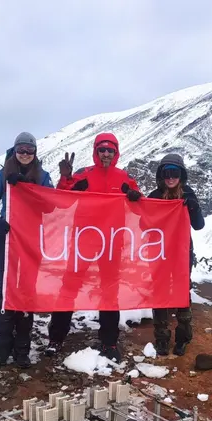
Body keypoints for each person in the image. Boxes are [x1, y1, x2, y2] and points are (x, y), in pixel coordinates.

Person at [46, 132, 141, 363]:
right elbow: (63, 199)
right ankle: (56, 339)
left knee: (110, 291)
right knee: (69, 287)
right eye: (102, 150)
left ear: (116, 152)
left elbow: (140, 207)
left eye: (110, 150)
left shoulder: (124, 178)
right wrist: (65, 177)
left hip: (111, 243)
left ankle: (109, 342)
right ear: (95, 151)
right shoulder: (84, 175)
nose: (106, 154)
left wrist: (136, 197)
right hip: (84, 241)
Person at [0, 131, 53, 368]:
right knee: (7, 289)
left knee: (27, 290)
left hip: (32, 240)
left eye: (29, 150)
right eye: (21, 150)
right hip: (8, 239)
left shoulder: (42, 177)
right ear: (15, 150)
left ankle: (22, 350)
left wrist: (31, 189)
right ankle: (2, 350)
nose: (25, 154)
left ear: (35, 153)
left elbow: (51, 205)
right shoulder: (0, 176)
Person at [146, 153, 204, 356]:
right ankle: (161, 339)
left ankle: (182, 338)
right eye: (166, 173)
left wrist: (194, 207)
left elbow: (198, 225)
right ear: (161, 175)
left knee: (182, 294)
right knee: (159, 294)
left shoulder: (188, 194)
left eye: (175, 173)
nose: (171, 177)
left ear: (182, 175)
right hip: (159, 254)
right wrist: (137, 204)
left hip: (181, 253)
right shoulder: (153, 196)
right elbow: (144, 226)